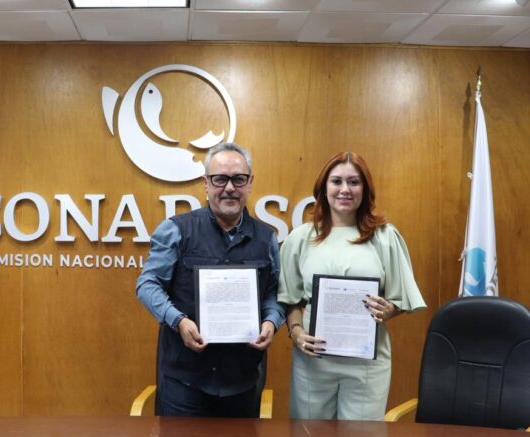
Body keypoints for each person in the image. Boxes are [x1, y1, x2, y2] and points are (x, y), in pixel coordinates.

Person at [136, 142, 285, 417]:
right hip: (184, 382)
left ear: (250, 183)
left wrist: (271, 322)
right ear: (205, 183)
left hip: (242, 383)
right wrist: (178, 321)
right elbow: (147, 284)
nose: (229, 188)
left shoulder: (267, 238)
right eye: (220, 179)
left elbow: (273, 293)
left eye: (238, 179)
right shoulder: (176, 230)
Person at [279, 151, 426, 420]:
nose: (345, 189)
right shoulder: (299, 238)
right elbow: (291, 298)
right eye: (337, 181)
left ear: (365, 189)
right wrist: (296, 332)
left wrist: (388, 309)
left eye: (354, 182)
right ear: (324, 188)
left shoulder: (385, 236)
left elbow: (401, 299)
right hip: (313, 361)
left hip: (366, 363)